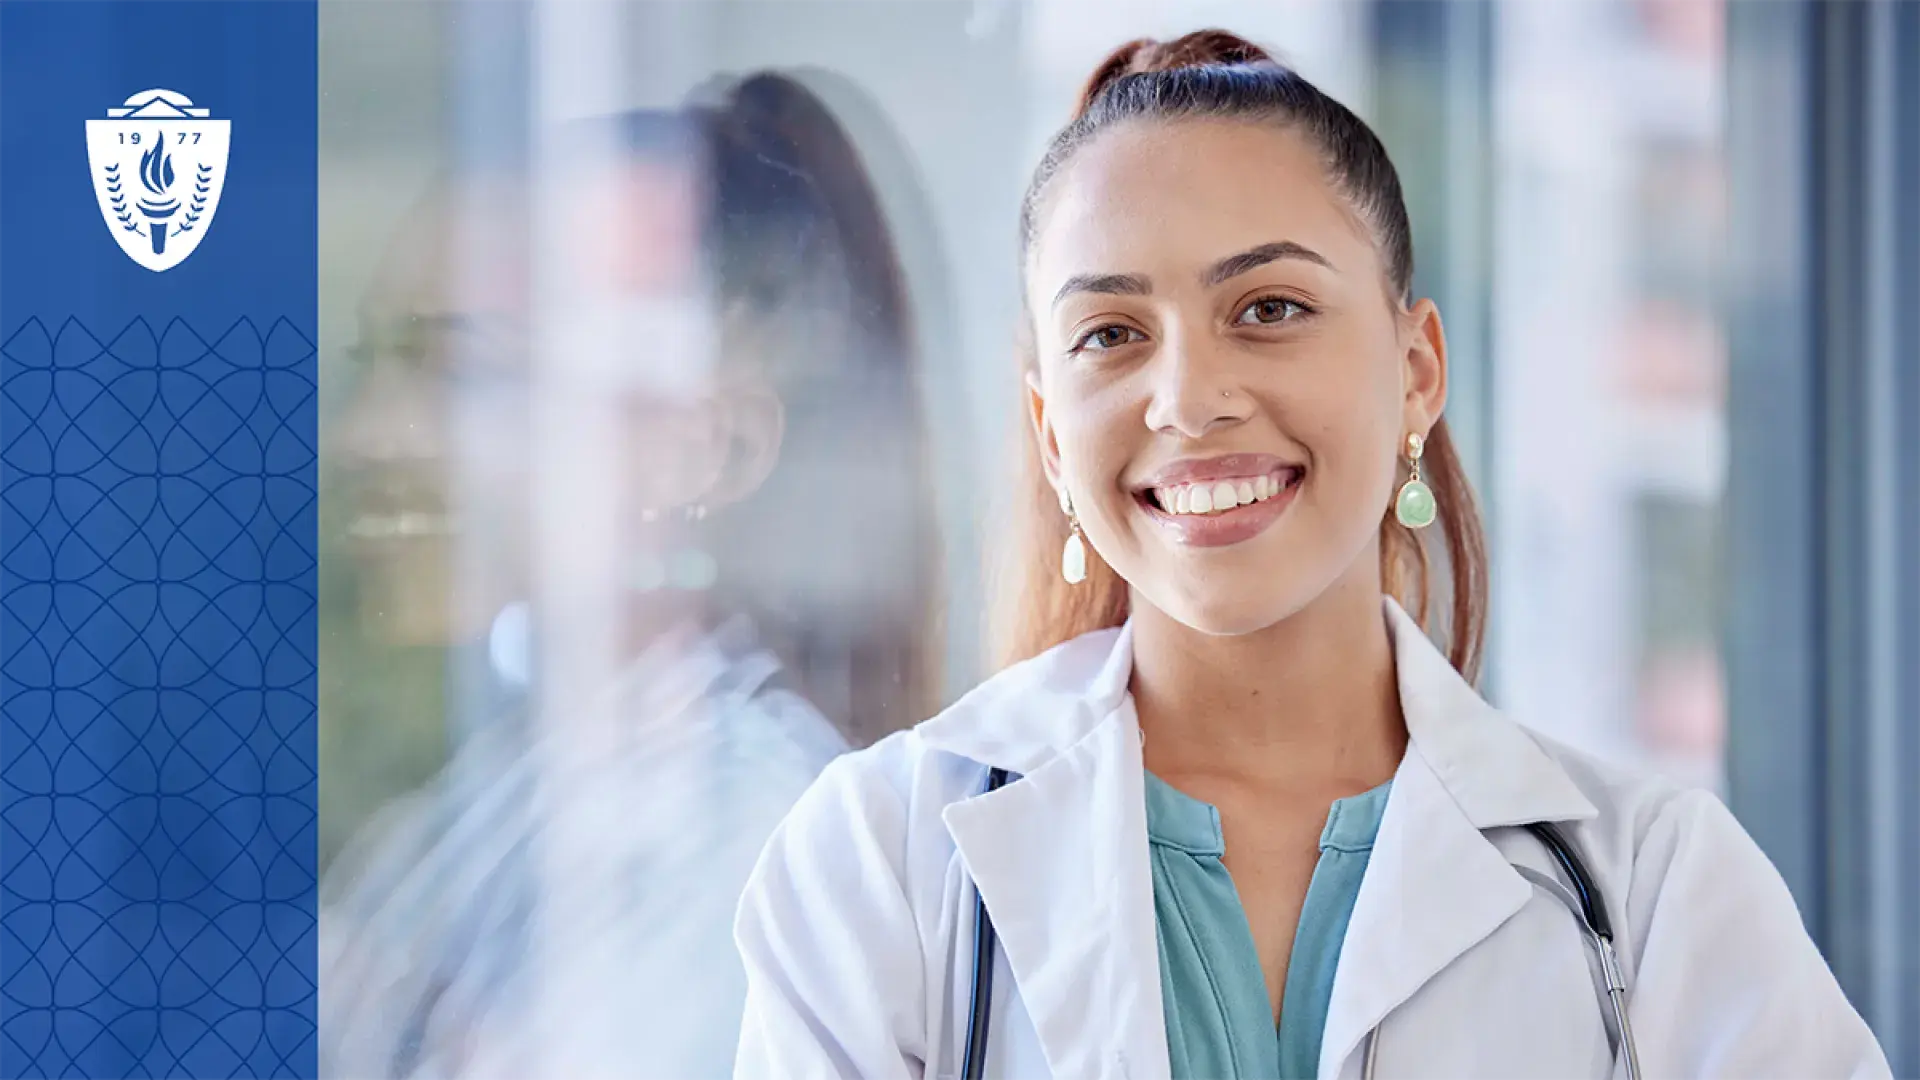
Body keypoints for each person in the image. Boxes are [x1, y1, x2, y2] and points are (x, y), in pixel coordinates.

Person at [731, 31, 1892, 1080]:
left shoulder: (1656, 890)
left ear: (1418, 371)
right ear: (1049, 433)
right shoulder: (877, 865)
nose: (1187, 401)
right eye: (1112, 334)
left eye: (1269, 308)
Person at [319, 71, 941, 1078]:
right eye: (377, 365)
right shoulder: (509, 793)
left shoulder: (751, 863)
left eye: (451, 366)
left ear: (707, 449)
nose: (366, 439)